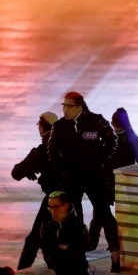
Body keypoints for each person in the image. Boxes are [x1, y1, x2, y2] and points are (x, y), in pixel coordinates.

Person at [47, 92, 121, 272]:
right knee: (75, 218)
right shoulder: (60, 126)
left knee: (105, 215)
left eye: (69, 106)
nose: (64, 109)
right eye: (63, 105)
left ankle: (115, 255)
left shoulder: (95, 121)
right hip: (72, 179)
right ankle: (78, 258)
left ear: (79, 106)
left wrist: (102, 163)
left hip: (94, 177)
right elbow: (51, 150)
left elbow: (113, 141)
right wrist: (61, 171)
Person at [87, 107, 138, 252]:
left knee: (100, 215)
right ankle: (119, 244)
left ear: (113, 123)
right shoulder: (135, 140)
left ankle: (96, 242)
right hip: (125, 184)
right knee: (123, 218)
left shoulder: (108, 139)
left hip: (107, 182)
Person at [11, 112, 60, 270]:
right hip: (73, 197)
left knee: (35, 236)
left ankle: (23, 269)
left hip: (53, 198)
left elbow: (16, 173)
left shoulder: (42, 150)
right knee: (52, 235)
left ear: (42, 127)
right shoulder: (68, 144)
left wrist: (28, 170)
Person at [40, 191, 90, 275]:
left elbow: (77, 251)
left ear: (66, 205)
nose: (53, 211)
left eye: (56, 207)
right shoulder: (47, 227)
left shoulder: (78, 227)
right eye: (50, 207)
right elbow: (46, 251)